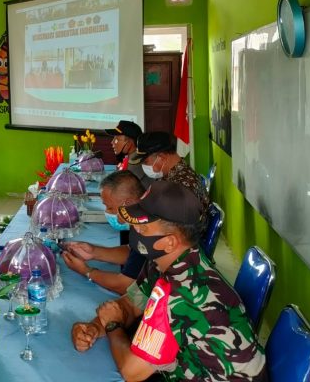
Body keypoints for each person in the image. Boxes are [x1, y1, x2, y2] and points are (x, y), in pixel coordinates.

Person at [72, 180, 266, 381]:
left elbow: (132, 371)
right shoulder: (164, 262)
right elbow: (131, 304)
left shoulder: (182, 293)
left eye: (142, 228)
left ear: (170, 242)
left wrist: (112, 325)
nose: (134, 229)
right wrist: (94, 328)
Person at [62, 171, 147, 294]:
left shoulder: (147, 230)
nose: (107, 212)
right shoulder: (140, 218)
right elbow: (134, 253)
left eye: (110, 207)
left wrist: (86, 271)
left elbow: (125, 285)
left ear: (128, 203)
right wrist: (94, 252)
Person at [129, 132, 209, 211]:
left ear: (162, 158)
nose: (144, 166)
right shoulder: (172, 174)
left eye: (146, 162)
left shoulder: (181, 185)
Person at [104, 120, 152, 189]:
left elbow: (124, 189)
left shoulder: (135, 165)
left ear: (129, 144)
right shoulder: (130, 159)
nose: (112, 142)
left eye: (117, 139)